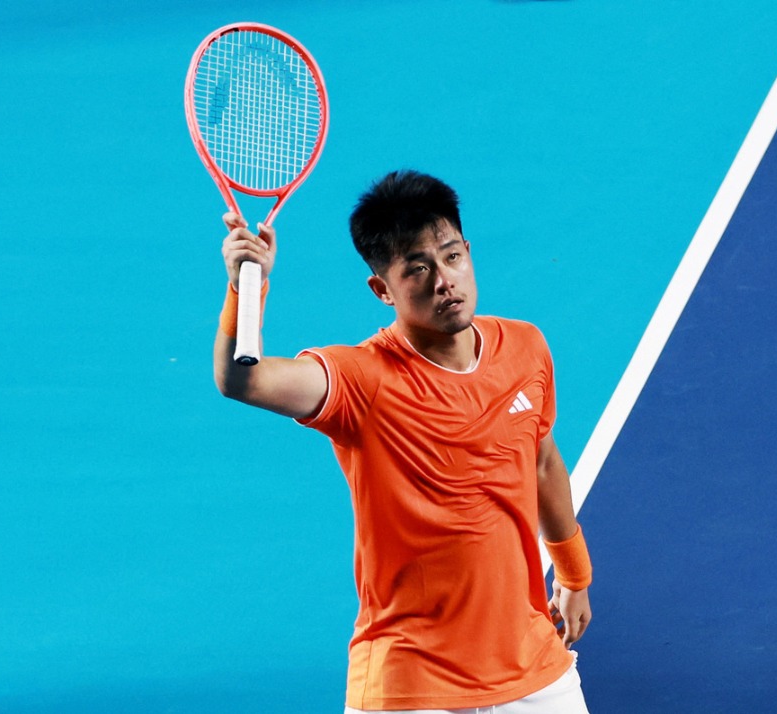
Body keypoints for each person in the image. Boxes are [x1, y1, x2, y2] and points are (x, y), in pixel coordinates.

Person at [213, 170, 593, 713]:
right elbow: (242, 381)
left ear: (468, 252)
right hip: (408, 682)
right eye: (418, 269)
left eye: (451, 256)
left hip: (531, 668)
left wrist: (574, 573)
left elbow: (542, 463)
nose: (444, 281)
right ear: (382, 290)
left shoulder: (525, 348)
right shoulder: (361, 379)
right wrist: (244, 287)